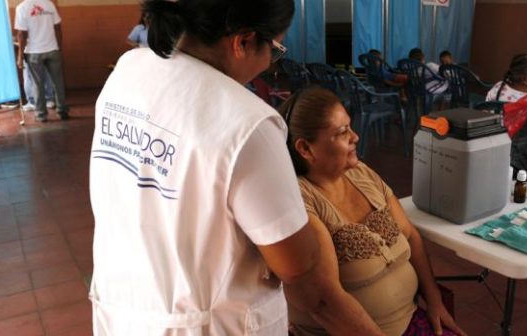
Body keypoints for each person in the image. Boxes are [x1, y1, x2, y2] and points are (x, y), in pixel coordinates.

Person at [89, 0, 383, 334]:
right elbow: (297, 265)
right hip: (209, 324)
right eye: (275, 48)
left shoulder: (130, 70)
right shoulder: (247, 123)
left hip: (125, 312)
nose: (271, 61)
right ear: (243, 42)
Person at [279, 87, 466, 336]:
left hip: (409, 320)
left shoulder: (362, 174)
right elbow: (324, 301)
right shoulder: (300, 202)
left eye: (351, 127)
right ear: (305, 148)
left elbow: (411, 236)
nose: (355, 137)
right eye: (342, 132)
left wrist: (434, 301)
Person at [15, 0, 69, 122]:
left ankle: (41, 115)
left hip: (34, 52)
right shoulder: (49, 4)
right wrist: (59, 48)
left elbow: (21, 34)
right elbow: (58, 28)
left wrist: (20, 56)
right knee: (58, 82)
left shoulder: (22, 7)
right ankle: (62, 111)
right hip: (52, 49)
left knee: (37, 84)